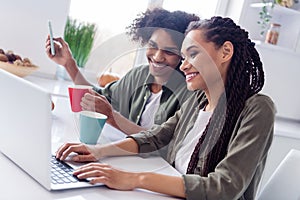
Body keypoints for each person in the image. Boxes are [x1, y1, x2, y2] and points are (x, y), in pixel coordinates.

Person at [56, 16, 276, 200]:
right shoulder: (197, 100)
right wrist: (98, 151)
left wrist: (135, 179)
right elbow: (154, 138)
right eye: (184, 56)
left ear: (226, 52)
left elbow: (225, 187)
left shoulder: (257, 109)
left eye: (193, 54)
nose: (184, 64)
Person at [46, 8, 199, 135]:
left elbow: (160, 144)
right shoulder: (139, 75)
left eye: (169, 52)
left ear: (183, 55)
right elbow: (101, 99)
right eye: (152, 46)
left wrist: (112, 117)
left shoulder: (189, 91)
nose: (158, 57)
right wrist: (69, 64)